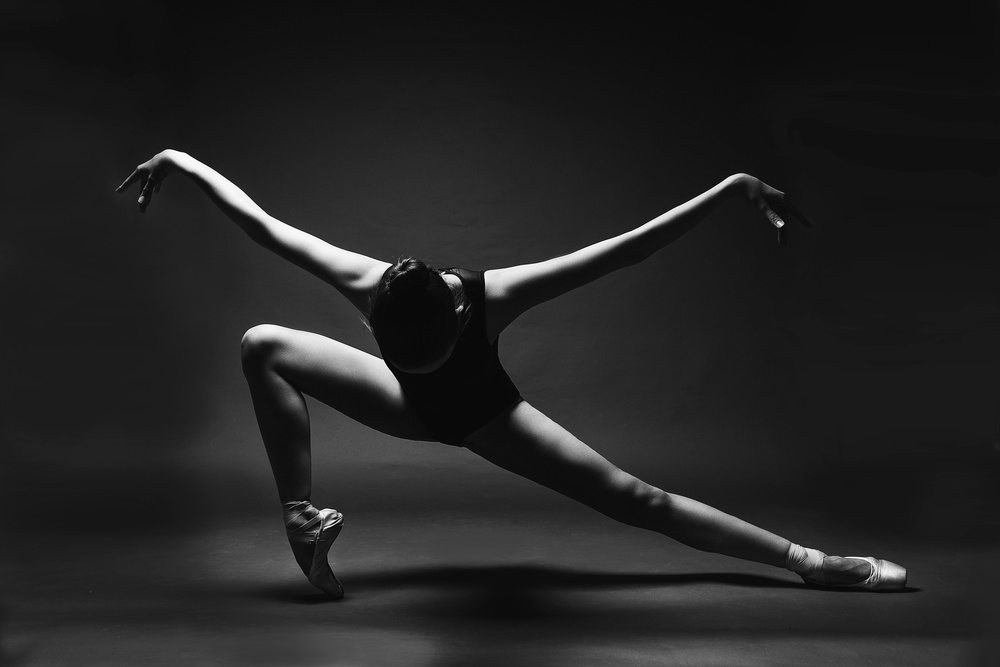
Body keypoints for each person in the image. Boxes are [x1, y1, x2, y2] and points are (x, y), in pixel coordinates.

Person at [117, 149, 906, 599]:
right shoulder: (368, 285)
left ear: (459, 317)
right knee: (262, 343)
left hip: (486, 416)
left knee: (641, 499)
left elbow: (627, 250)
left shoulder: (494, 296)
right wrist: (180, 160)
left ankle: (809, 563)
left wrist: (731, 189)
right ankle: (301, 520)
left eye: (424, 351)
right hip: (407, 406)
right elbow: (260, 224)